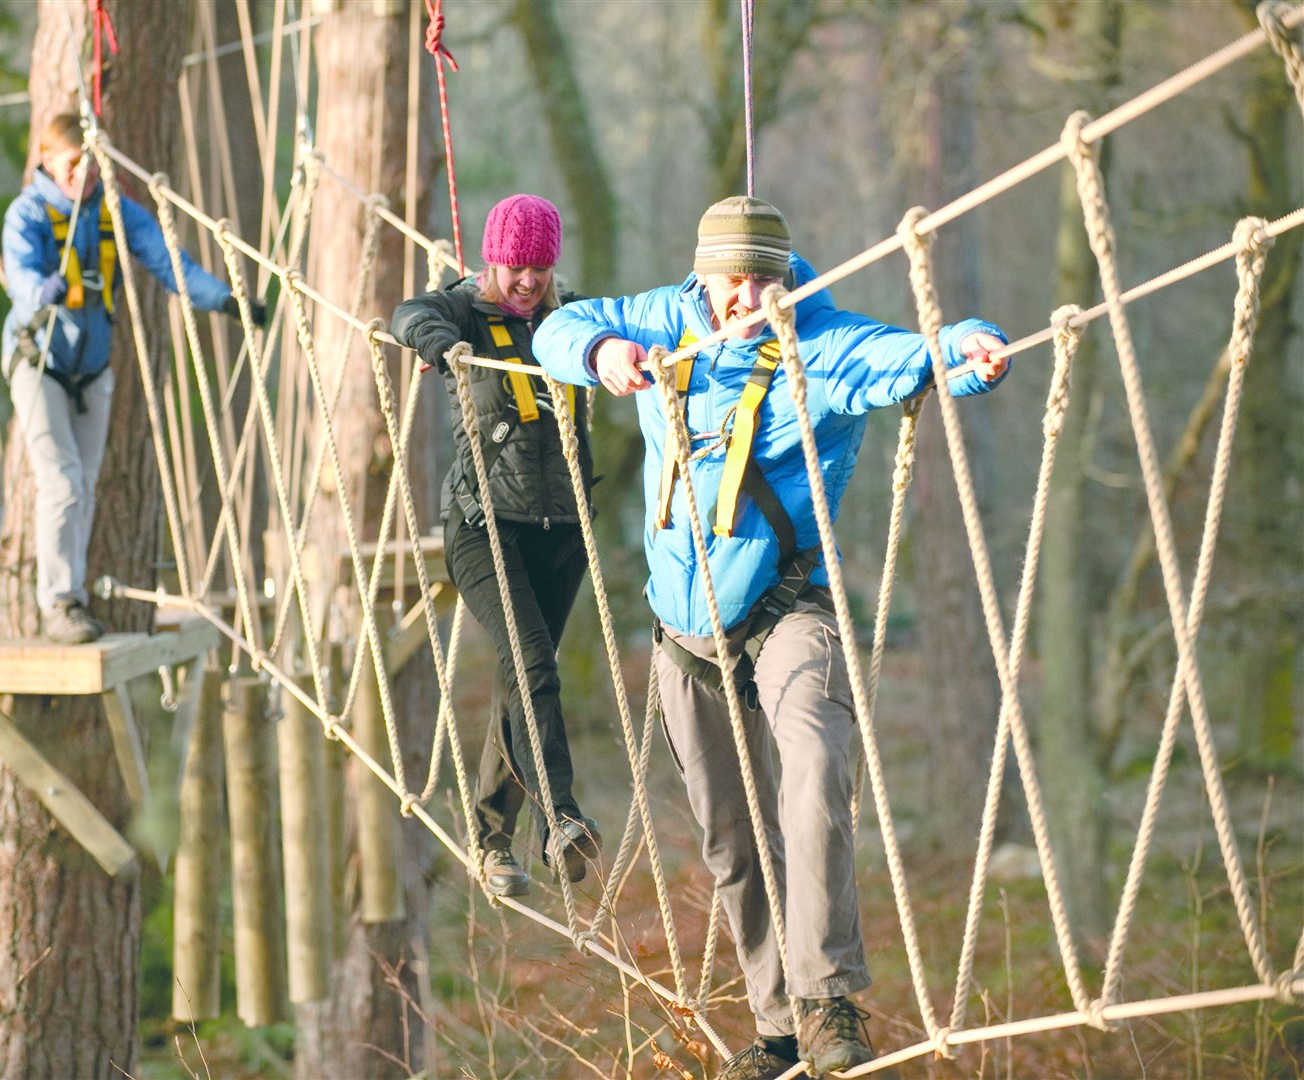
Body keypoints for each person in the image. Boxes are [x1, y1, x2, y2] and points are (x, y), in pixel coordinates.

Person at [534, 196, 1010, 1078]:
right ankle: (780, 1028)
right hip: (685, 640)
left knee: (815, 770)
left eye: (766, 277)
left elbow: (907, 358)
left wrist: (969, 351)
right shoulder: (659, 322)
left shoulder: (819, 348)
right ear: (701, 274)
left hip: (792, 612)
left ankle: (828, 999)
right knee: (731, 841)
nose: (748, 294)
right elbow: (560, 327)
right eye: (732, 278)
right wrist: (602, 355)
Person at [391, 194, 602, 897]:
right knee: (535, 664)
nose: (526, 284)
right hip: (484, 526)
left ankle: (490, 842)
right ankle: (561, 819)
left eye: (539, 270)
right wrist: (440, 348)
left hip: (562, 529)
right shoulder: (460, 311)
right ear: (491, 259)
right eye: (515, 268)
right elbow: (407, 316)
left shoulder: (569, 317)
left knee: (522, 682)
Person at [0, 113, 259, 643]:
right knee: (63, 482)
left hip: (92, 370)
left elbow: (170, 261)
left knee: (84, 487)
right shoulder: (27, 214)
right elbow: (22, 274)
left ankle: (72, 594)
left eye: (90, 165)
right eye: (72, 165)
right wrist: (38, 291)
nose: (83, 176)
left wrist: (225, 301)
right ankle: (60, 601)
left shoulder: (115, 210)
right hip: (38, 362)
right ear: (48, 161)